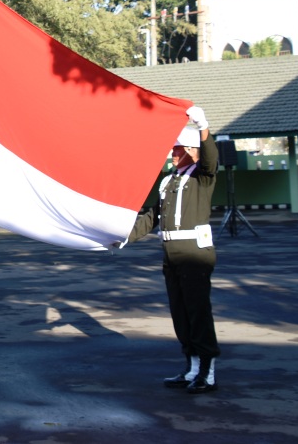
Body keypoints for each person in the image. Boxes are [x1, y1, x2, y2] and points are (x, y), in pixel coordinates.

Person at [121, 106, 220, 394]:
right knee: (180, 312)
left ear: (192, 150)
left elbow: (211, 158)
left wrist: (203, 126)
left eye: (178, 150)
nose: (173, 154)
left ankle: (207, 371)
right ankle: (190, 366)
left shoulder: (202, 176)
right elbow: (152, 218)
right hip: (171, 253)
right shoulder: (169, 180)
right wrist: (123, 237)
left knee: (198, 311)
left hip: (194, 253)